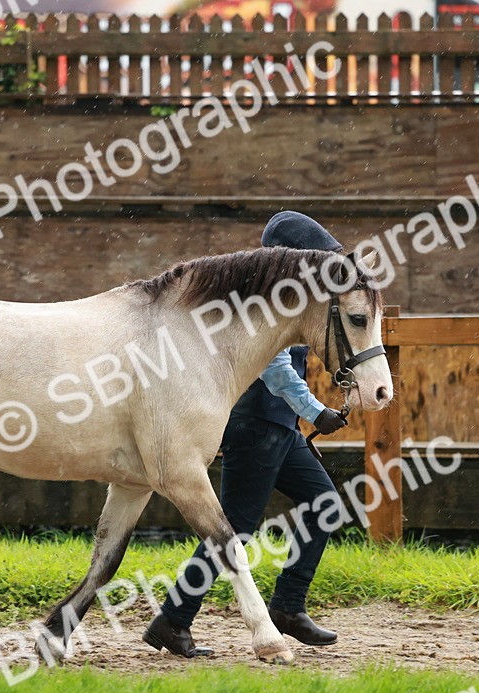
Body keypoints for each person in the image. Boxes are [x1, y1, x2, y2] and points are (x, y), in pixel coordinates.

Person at [143, 211, 350, 658]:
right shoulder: (265, 300)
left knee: (324, 505)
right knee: (234, 527)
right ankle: (173, 620)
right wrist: (316, 411)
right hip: (256, 423)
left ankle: (288, 607)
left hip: (279, 425)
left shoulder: (291, 298)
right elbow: (276, 370)